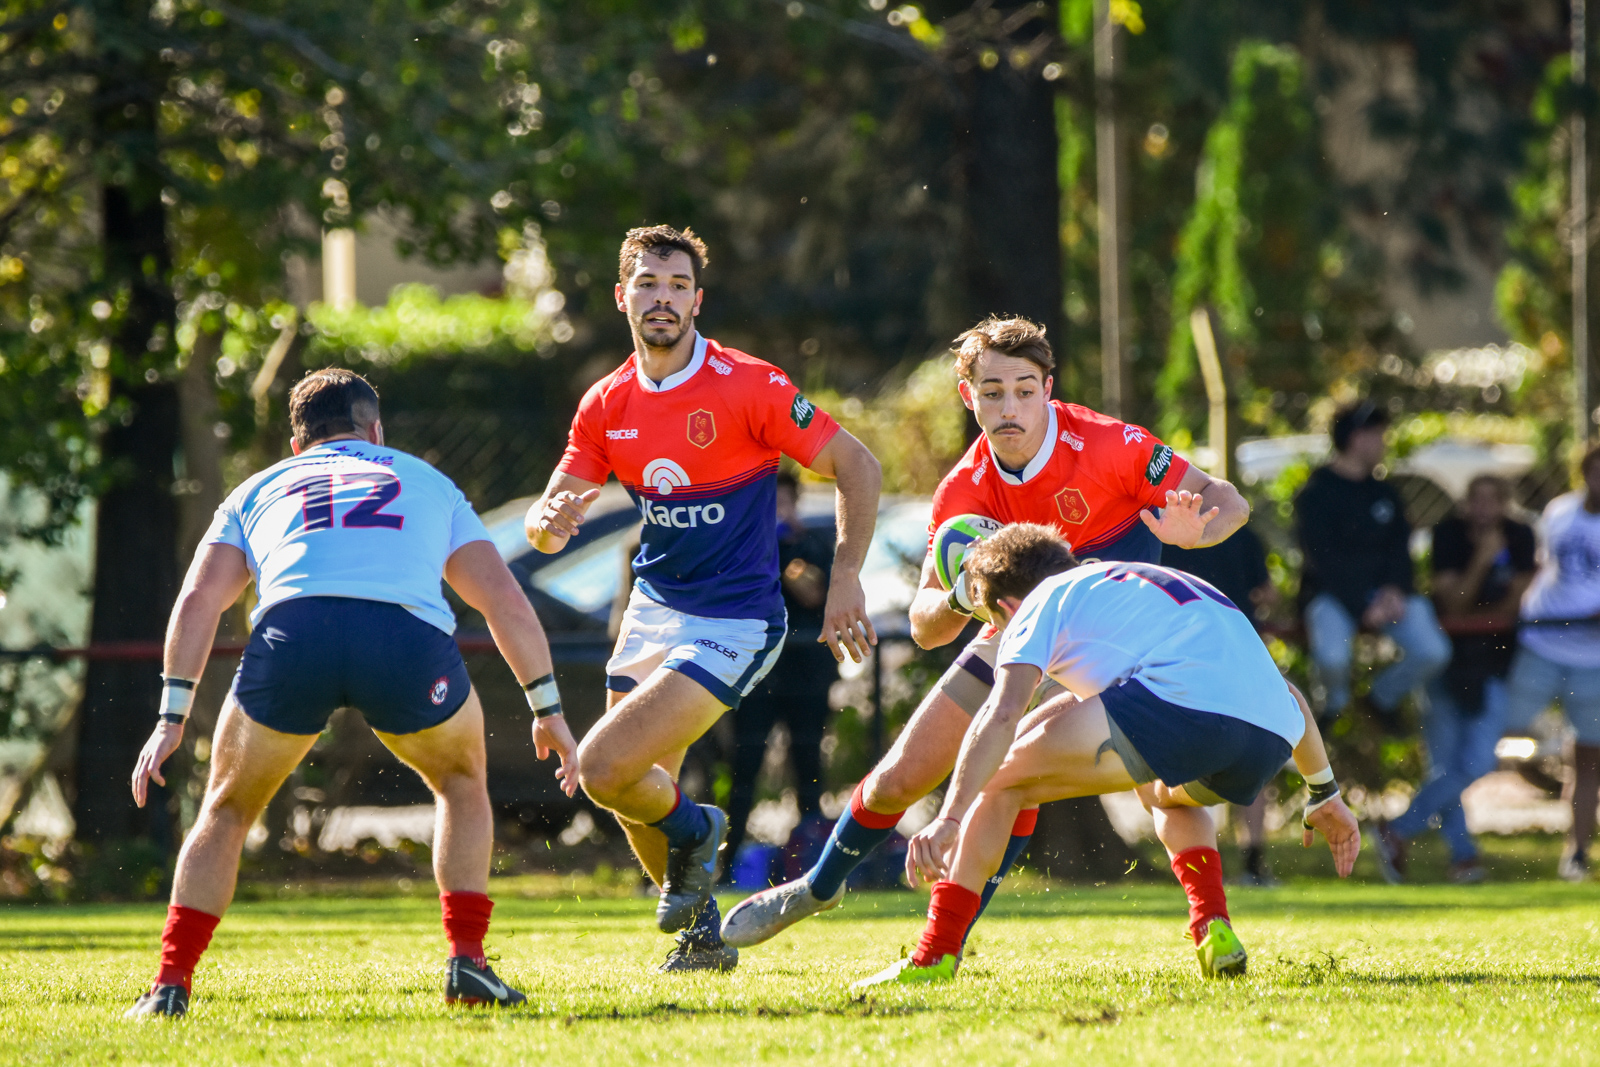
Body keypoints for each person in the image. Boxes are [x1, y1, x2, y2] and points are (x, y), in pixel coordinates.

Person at [723, 316, 1250, 951]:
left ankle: (1210, 924)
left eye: (1025, 390)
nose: (1010, 408)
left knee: (1156, 785)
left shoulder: (1111, 446)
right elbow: (923, 627)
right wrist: (962, 596)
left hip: (1115, 637)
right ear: (966, 393)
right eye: (992, 391)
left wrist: (1200, 531)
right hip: (1020, 629)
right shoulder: (964, 491)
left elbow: (1228, 500)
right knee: (901, 774)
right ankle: (819, 885)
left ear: (1048, 388)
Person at [125, 369, 576, 1018]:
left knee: (226, 809)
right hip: (403, 637)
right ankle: (467, 962)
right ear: (377, 431)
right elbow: (502, 598)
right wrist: (547, 709)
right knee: (459, 779)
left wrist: (171, 717)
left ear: (295, 443)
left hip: (294, 635)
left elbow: (199, 599)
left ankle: (170, 983)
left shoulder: (257, 488)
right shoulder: (425, 480)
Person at [525, 225, 881, 972]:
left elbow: (858, 465)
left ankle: (697, 831)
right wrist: (545, 520)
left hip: (738, 615)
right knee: (630, 785)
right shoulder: (606, 402)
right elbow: (551, 522)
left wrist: (845, 576)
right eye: (649, 284)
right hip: (655, 605)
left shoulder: (749, 383)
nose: (663, 298)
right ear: (623, 296)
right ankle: (703, 936)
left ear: (697, 299)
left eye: (678, 285)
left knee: (601, 765)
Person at [854, 523, 1360, 988]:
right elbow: (1288, 693)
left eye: (992, 622)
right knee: (1165, 795)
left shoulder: (1036, 602)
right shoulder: (1129, 582)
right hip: (1266, 738)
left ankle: (934, 956)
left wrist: (950, 817)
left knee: (1000, 778)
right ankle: (1213, 926)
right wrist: (1325, 793)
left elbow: (1001, 715)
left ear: (1005, 608)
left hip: (1183, 710)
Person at [1374, 475, 1535, 885]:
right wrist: (1482, 559)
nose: (1483, 508)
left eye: (1492, 499)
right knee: (1443, 766)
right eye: (1475, 499)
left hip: (1493, 663)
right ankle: (1463, 856)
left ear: (1505, 503)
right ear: (1465, 503)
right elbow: (1454, 601)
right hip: (1448, 664)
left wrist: (1487, 599)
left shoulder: (1520, 536)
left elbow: (1516, 603)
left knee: (1477, 761)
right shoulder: (1448, 535)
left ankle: (1397, 829)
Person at [1295, 401, 1451, 728]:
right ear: (1355, 438)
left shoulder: (1385, 492)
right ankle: (1333, 706)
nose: (1383, 441)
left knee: (1433, 650)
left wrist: (1394, 590)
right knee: (1333, 658)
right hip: (1333, 595)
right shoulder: (1317, 494)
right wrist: (1361, 600)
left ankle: (1381, 699)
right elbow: (1323, 561)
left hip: (1387, 596)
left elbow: (1399, 549)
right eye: (1376, 434)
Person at [721, 469, 838, 874]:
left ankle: (811, 866)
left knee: (808, 769)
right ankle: (725, 860)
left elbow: (813, 591)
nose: (778, 511)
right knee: (744, 770)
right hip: (756, 677)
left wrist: (787, 552)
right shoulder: (741, 549)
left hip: (806, 676)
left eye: (784, 502)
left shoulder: (813, 546)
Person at [1163, 522, 1282, 885]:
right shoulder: (1240, 532)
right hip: (1239, 651)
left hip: (1183, 655)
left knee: (1180, 762)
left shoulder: (1163, 533)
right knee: (1251, 754)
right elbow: (1265, 593)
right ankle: (1252, 862)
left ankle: (1197, 869)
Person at [1505, 443, 1600, 882]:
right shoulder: (1559, 511)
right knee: (1499, 731)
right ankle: (1452, 841)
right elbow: (1540, 567)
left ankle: (1576, 853)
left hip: (1592, 657)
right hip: (1541, 644)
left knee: (1587, 758)